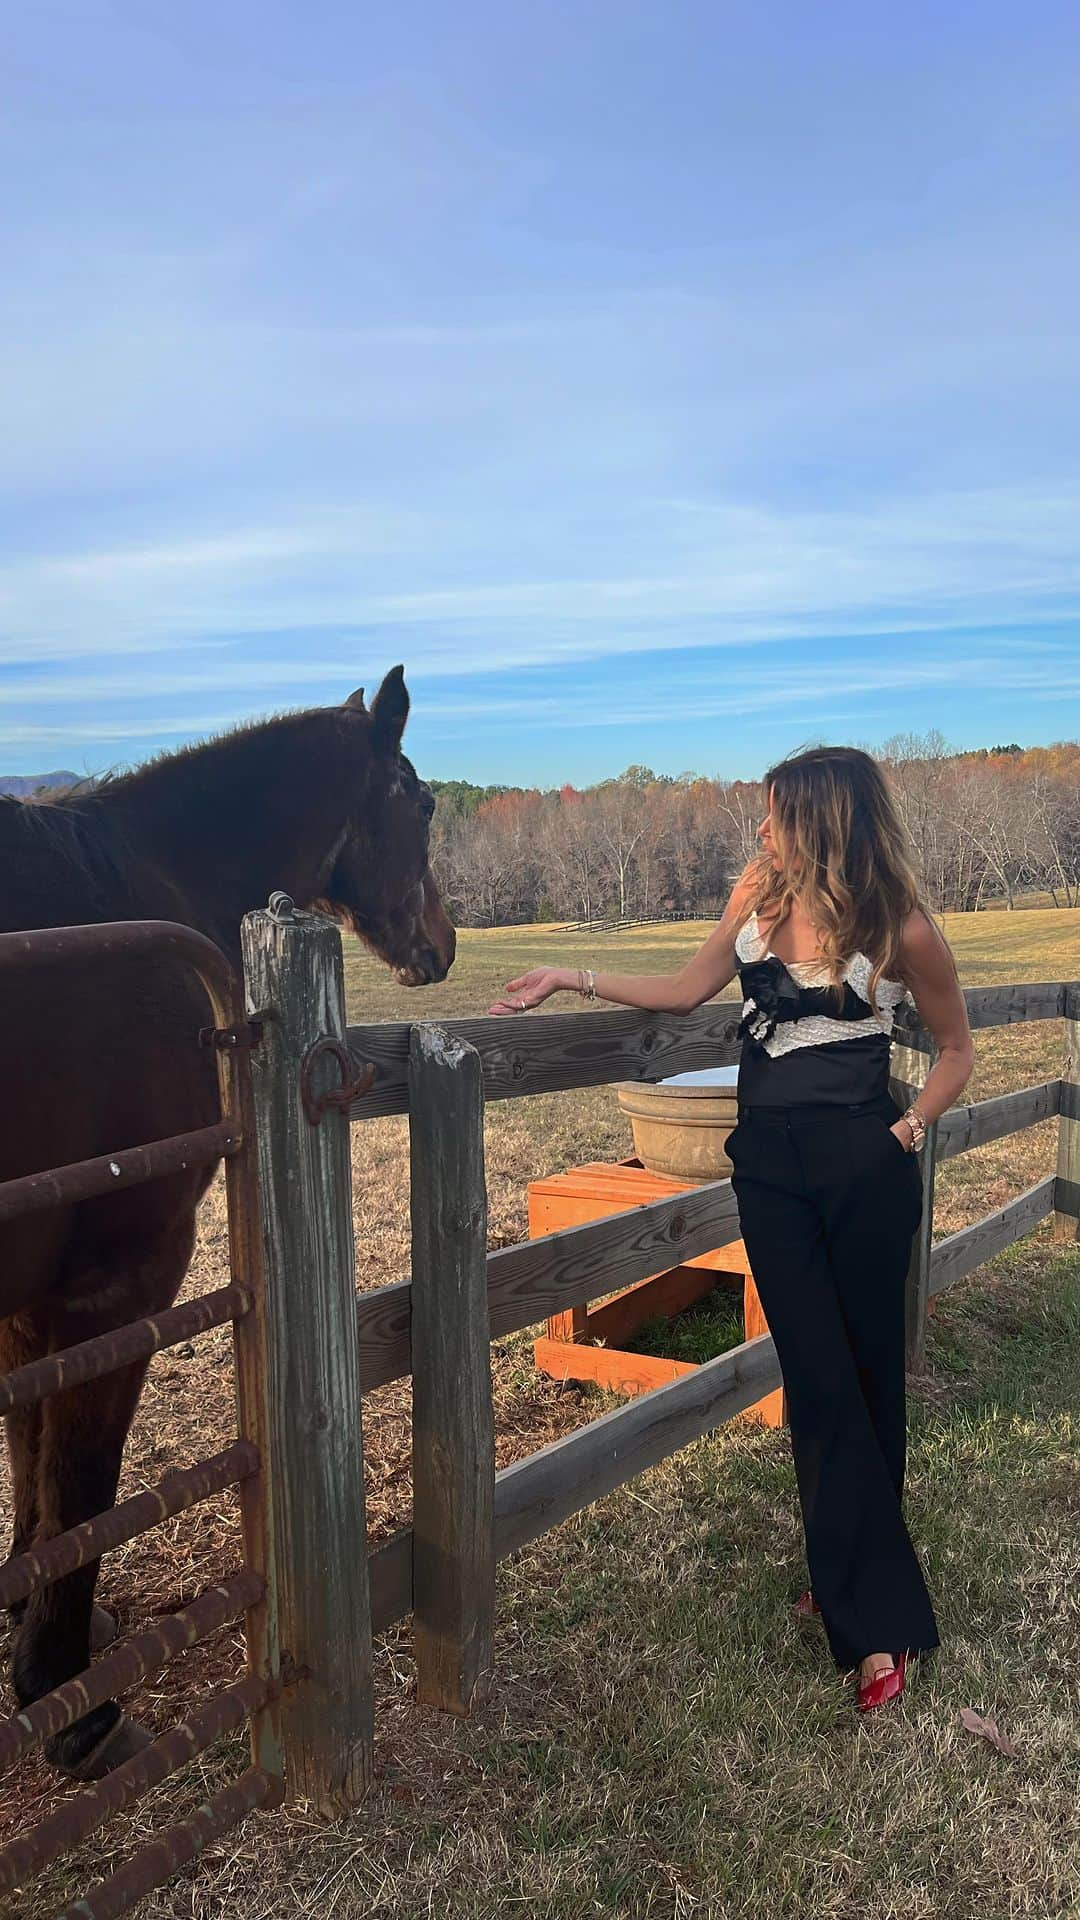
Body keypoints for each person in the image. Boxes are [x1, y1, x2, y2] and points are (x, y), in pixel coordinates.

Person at [488, 745, 973, 1712]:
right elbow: (682, 990)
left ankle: (862, 1612)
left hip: (865, 1169)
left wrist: (908, 1130)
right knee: (820, 1376)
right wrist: (568, 975)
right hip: (771, 1172)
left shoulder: (901, 928)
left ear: (823, 818)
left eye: (773, 813)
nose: (759, 829)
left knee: (868, 1376)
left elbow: (957, 1050)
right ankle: (859, 1592)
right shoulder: (757, 899)